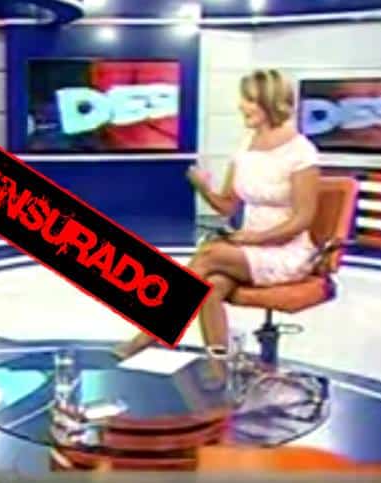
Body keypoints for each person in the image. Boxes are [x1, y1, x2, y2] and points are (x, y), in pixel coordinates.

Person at [115, 69, 320, 360]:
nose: (241, 106)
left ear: (270, 101)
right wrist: (202, 186)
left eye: (249, 100)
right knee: (209, 288)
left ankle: (150, 333)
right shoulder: (246, 145)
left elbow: (303, 219)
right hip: (249, 248)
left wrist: (254, 238)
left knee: (209, 253)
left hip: (286, 252)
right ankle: (218, 367)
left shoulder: (301, 152)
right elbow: (227, 206)